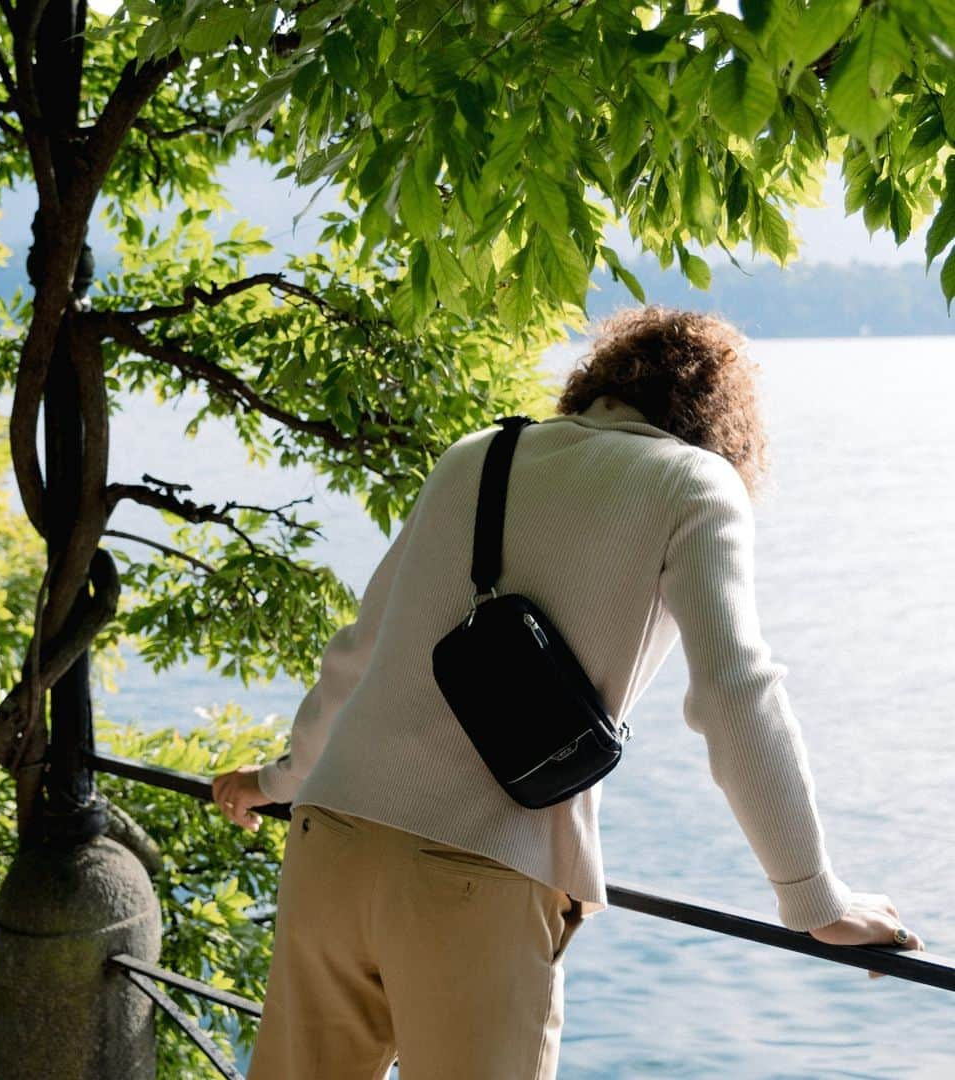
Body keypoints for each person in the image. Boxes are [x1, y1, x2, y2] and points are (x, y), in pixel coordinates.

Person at [213, 307, 925, 1080]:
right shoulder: (693, 482)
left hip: (334, 844)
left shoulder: (475, 455)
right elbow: (734, 692)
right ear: (720, 422)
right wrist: (814, 899)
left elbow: (355, 658)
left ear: (600, 385)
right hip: (478, 873)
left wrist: (273, 782)